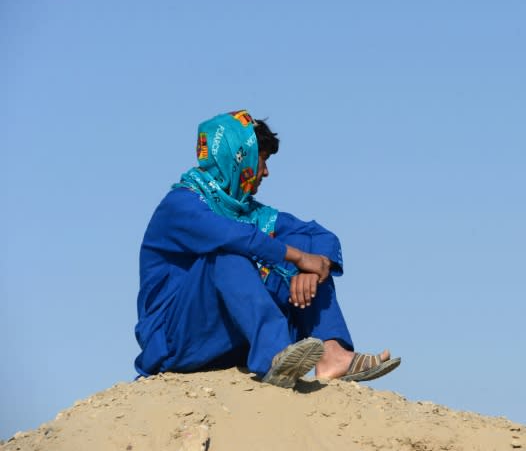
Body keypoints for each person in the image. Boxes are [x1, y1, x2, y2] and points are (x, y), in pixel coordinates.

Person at [134, 110, 400, 388]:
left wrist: (312, 265)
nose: (265, 172)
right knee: (230, 253)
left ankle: (333, 355)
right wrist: (300, 257)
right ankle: (274, 355)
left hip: (231, 344)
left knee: (306, 249)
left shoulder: (249, 212)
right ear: (240, 158)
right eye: (261, 161)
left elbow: (319, 234)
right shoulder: (179, 206)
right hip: (177, 341)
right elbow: (233, 236)